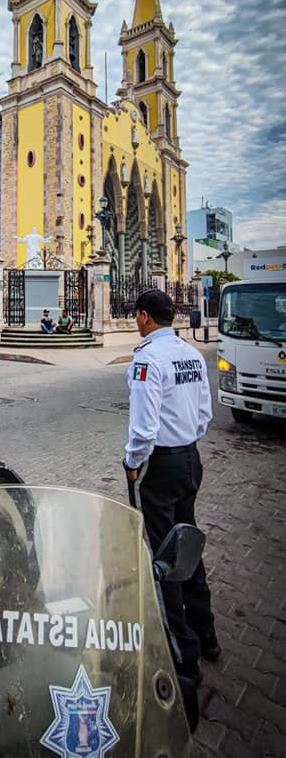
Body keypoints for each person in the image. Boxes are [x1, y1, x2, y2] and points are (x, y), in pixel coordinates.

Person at [123, 288, 220, 684]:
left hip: (158, 466)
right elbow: (204, 414)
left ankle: (183, 658)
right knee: (187, 546)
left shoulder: (148, 359)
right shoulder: (192, 355)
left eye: (136, 316)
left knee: (164, 560)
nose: (135, 321)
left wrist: (132, 464)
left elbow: (144, 428)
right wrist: (185, 442)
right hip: (189, 459)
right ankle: (207, 633)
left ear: (145, 317)